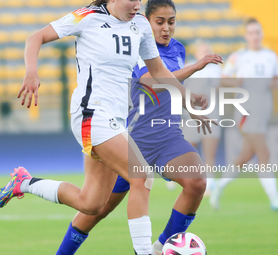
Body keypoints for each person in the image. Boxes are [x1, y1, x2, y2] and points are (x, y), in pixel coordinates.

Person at [0, 1, 211, 254]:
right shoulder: (88, 16)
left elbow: (160, 71)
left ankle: (25, 182)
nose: (137, 5)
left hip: (116, 121)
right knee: (141, 176)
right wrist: (31, 70)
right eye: (133, 0)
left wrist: (188, 99)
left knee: (91, 204)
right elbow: (36, 37)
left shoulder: (140, 24)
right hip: (91, 113)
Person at [54, 1, 223, 255]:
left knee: (197, 182)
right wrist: (195, 67)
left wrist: (191, 104)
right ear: (145, 20)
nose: (166, 28)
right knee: (96, 209)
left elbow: (169, 89)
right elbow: (150, 82)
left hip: (167, 138)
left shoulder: (178, 49)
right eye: (160, 22)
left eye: (171, 21)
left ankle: (157, 248)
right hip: (133, 139)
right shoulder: (132, 41)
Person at [210, 18, 278, 210]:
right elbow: (221, 81)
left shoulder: (271, 56)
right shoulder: (238, 57)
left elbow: (274, 81)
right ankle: (275, 201)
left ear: (262, 34)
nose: (255, 36)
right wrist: (235, 82)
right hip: (246, 113)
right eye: (251, 33)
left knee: (245, 156)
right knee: (264, 153)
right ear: (246, 35)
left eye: (257, 32)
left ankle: (218, 187)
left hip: (263, 113)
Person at [182, 40, 222, 196]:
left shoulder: (215, 70)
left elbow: (217, 89)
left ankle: (209, 186)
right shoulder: (189, 67)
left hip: (211, 113)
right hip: (191, 115)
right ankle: (189, 181)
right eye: (201, 50)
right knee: (189, 152)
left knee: (209, 152)